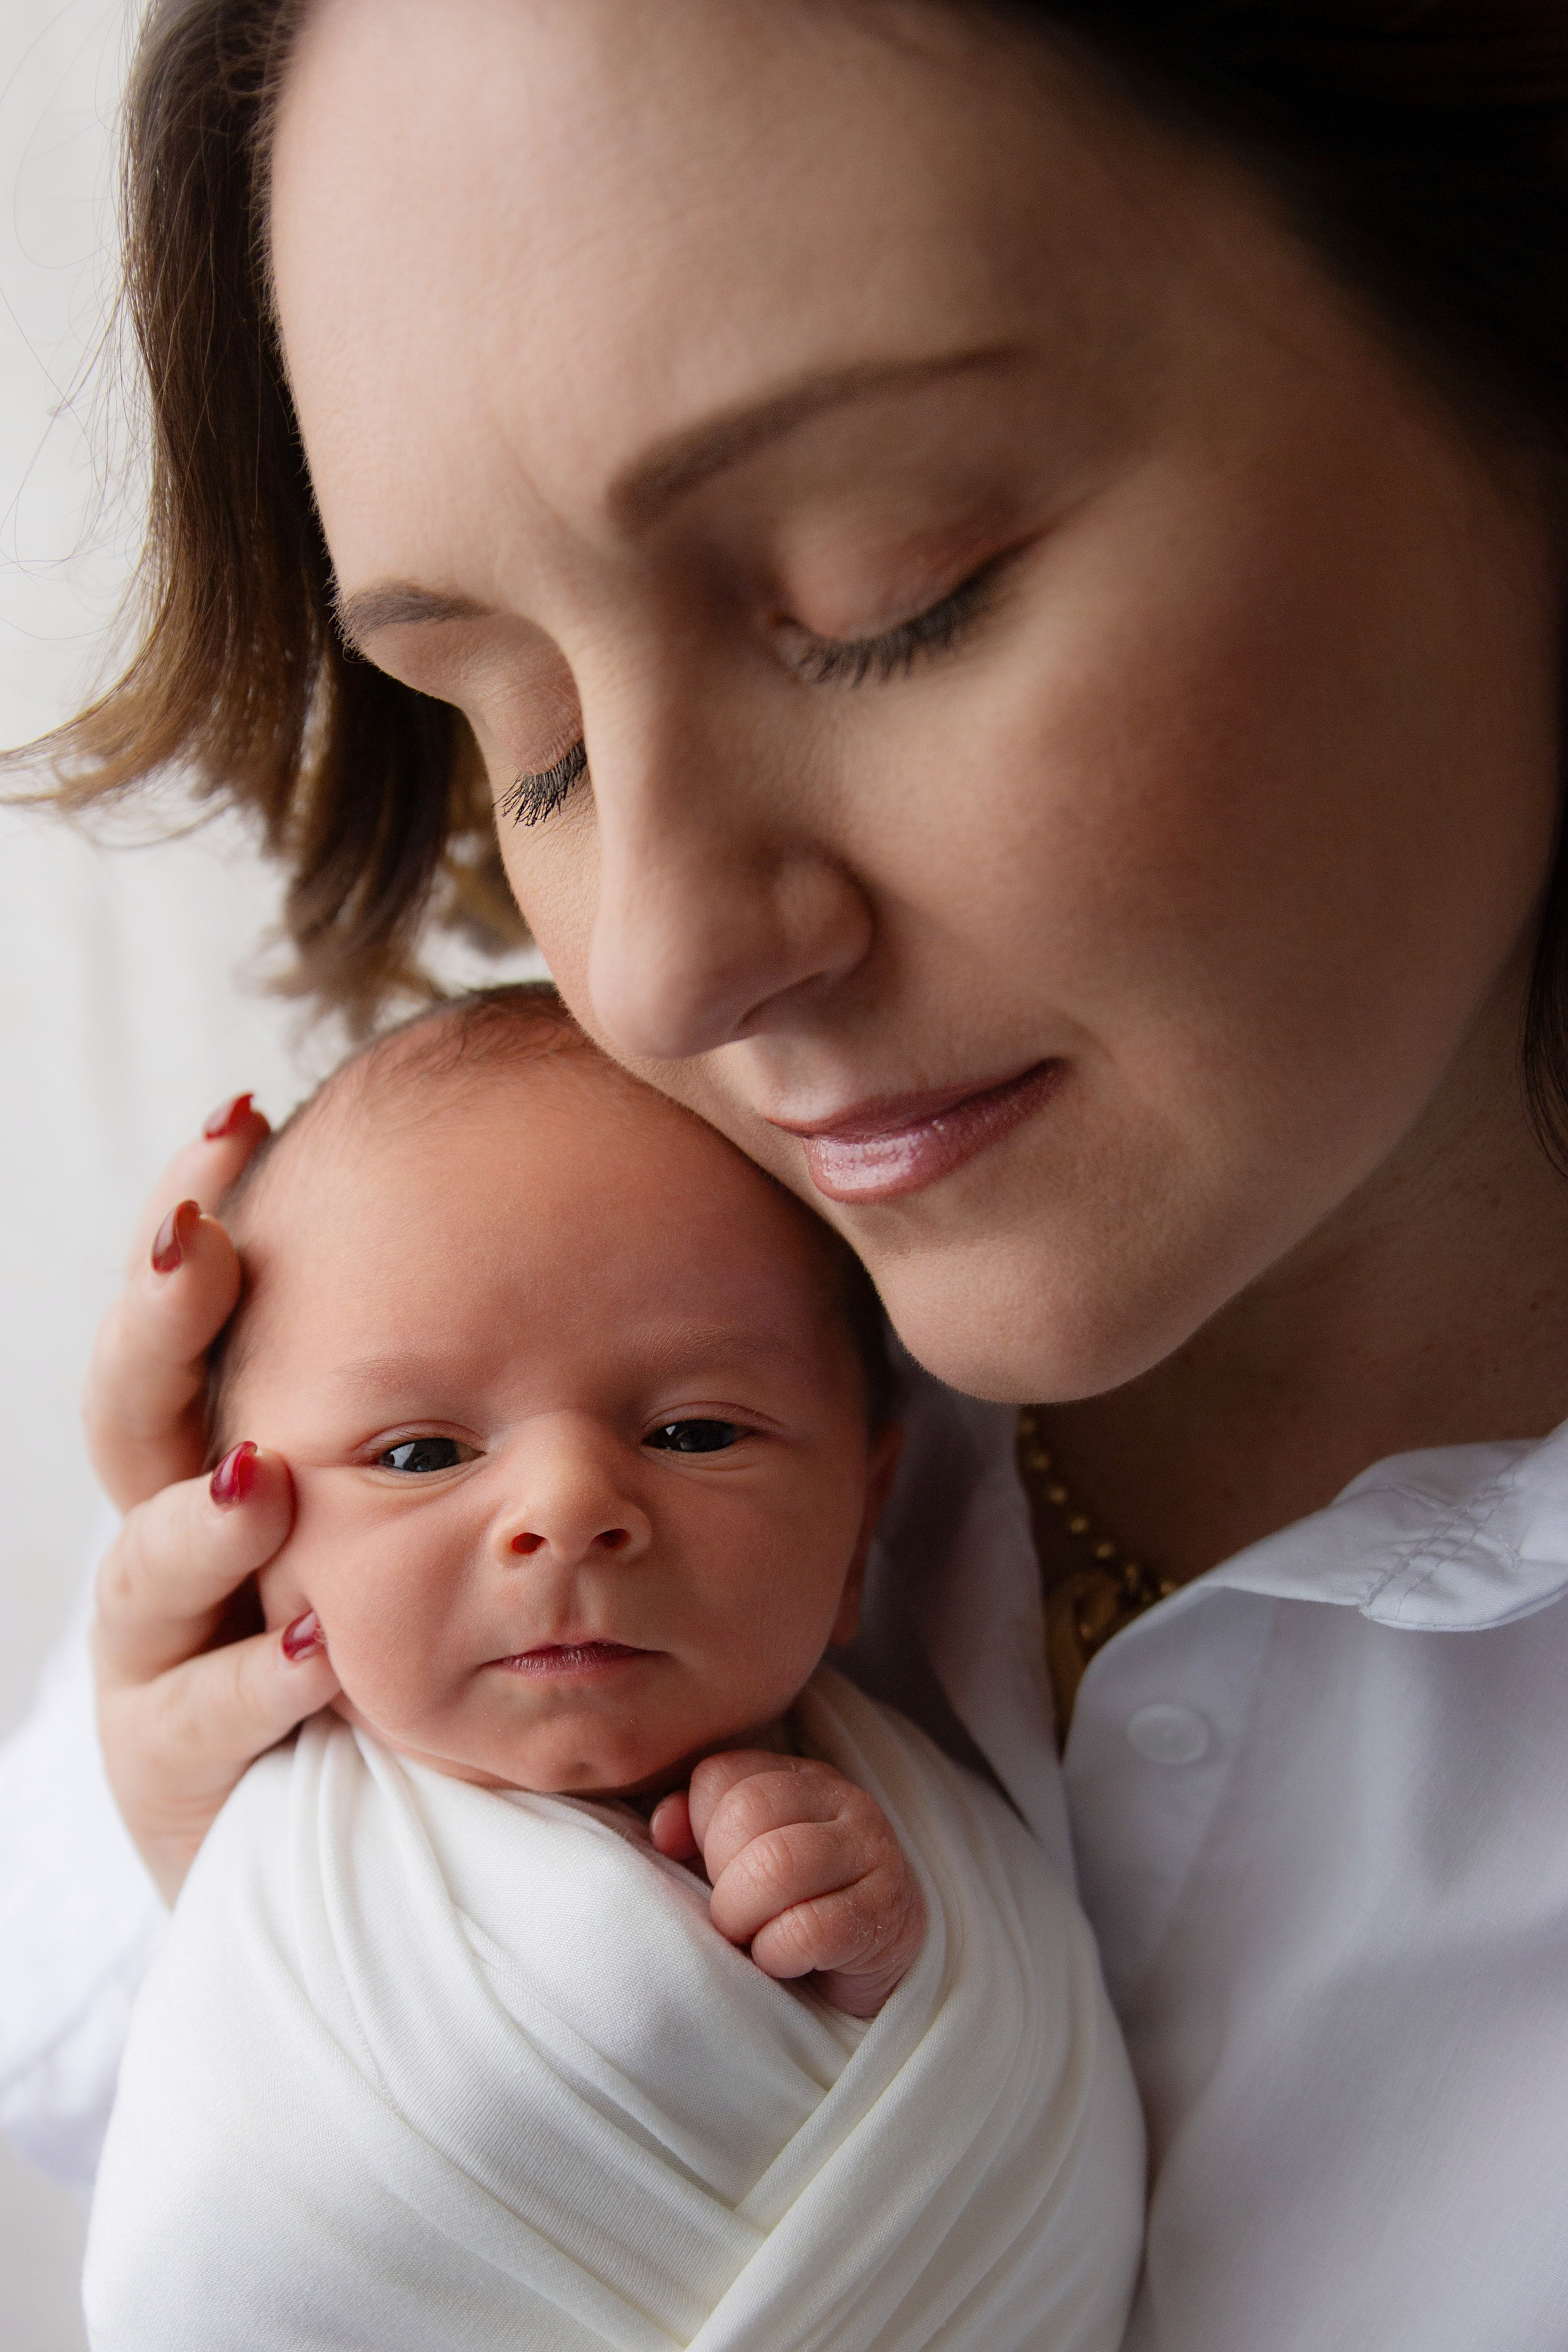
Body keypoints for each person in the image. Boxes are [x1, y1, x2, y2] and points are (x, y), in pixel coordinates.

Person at [5, 0, 1568, 2343]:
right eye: (517, 734)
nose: (656, 963)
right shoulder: (510, 1317)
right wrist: (293, 1864)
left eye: (884, 595)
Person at [83, 984, 1142, 2352]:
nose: (569, 1506)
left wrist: (874, 1955)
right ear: (248, 1538)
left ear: (859, 1528)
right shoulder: (268, 1842)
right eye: (418, 1455)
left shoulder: (892, 1812)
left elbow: (963, 2113)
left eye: (699, 1433)